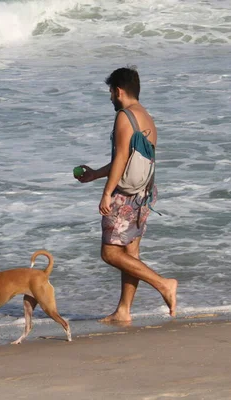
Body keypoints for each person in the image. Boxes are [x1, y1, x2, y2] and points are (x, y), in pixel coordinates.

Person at [76, 67, 177, 323]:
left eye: (111, 92)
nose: (110, 98)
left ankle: (164, 284)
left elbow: (121, 158)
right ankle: (124, 310)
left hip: (126, 195)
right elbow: (133, 160)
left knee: (110, 253)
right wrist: (95, 174)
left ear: (119, 91)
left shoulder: (124, 116)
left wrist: (107, 193)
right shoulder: (147, 117)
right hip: (145, 192)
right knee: (130, 255)